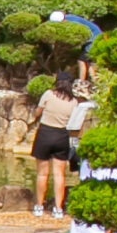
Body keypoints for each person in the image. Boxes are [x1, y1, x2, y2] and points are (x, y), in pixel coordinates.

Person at [31, 73, 80, 221]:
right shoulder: (74, 102)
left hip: (45, 133)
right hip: (62, 136)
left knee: (42, 174)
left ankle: (39, 206)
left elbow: (37, 112)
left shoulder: (48, 94)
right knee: (59, 174)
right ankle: (58, 209)